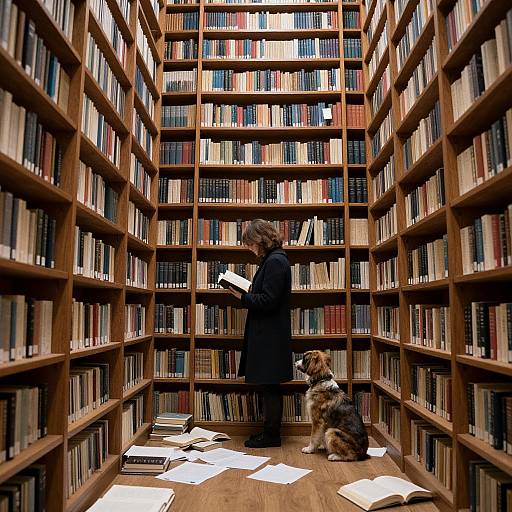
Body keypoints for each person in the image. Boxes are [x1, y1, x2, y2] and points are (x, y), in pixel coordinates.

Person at [227, 219, 293, 448]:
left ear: (260, 240)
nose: (249, 248)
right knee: (269, 385)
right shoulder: (273, 260)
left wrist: (242, 297)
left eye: (250, 243)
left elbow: (269, 300)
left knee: (271, 386)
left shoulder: (275, 262)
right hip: (269, 334)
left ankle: (272, 435)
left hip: (270, 336)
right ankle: (269, 432)